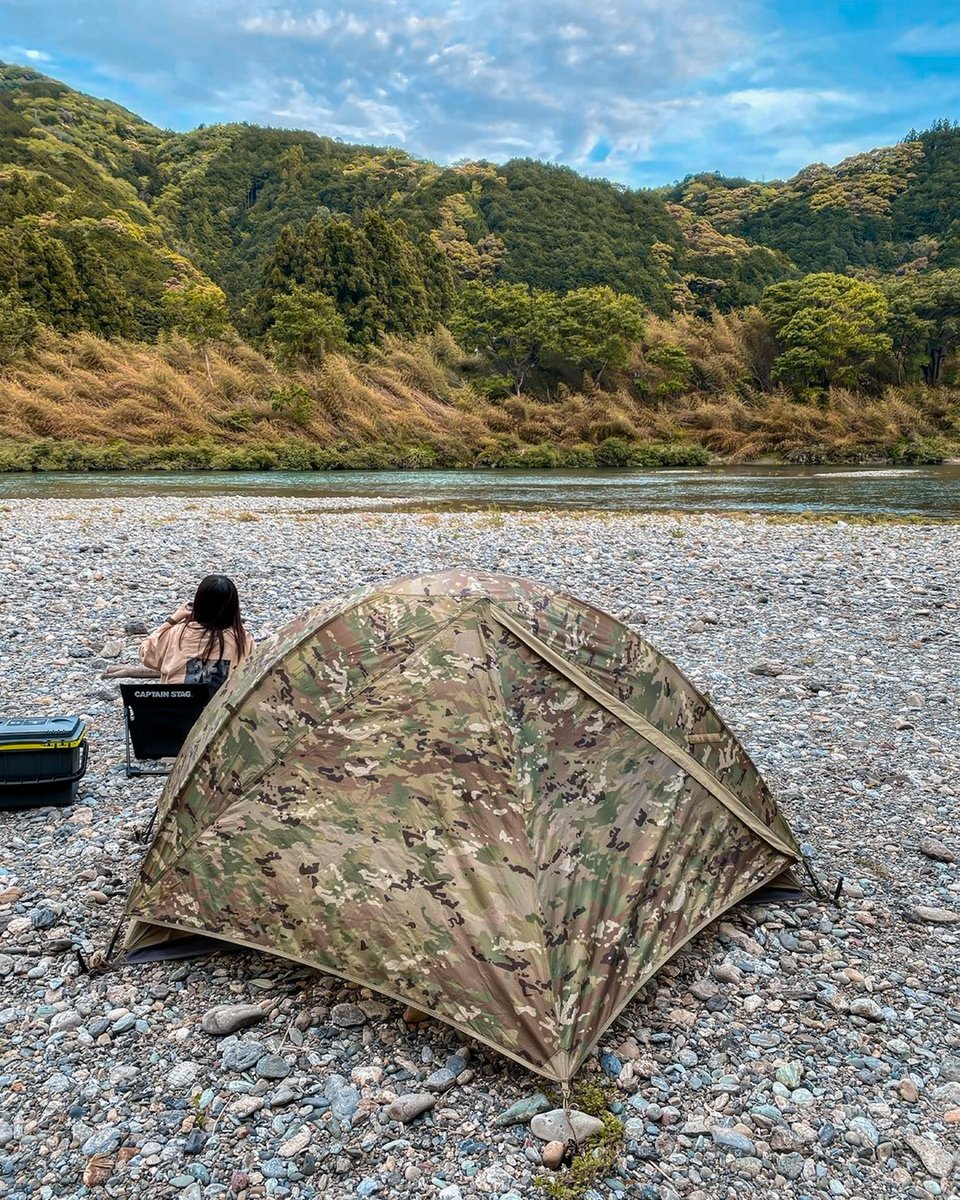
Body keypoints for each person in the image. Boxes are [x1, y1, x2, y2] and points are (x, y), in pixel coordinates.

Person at [140, 574, 253, 689]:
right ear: (233, 607)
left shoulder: (178, 633)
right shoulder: (243, 640)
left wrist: (172, 620)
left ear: (198, 603)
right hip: (221, 706)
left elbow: (145, 653)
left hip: (175, 705)